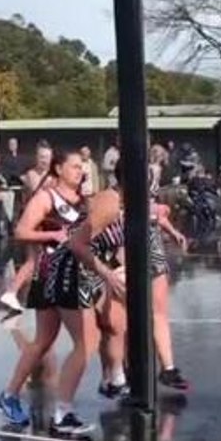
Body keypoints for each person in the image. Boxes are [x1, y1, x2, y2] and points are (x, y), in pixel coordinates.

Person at [67, 166, 191, 400]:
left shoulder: (133, 201)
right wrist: (109, 271)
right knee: (104, 329)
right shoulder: (110, 201)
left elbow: (150, 218)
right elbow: (81, 242)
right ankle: (104, 382)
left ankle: (122, 376)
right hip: (91, 263)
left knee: (118, 323)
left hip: (116, 256)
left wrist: (171, 231)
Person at [0, 149, 94, 436]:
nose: (79, 170)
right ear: (59, 169)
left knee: (43, 341)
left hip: (74, 273)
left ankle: (9, 395)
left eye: (81, 166)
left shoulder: (84, 200)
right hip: (54, 273)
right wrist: (51, 235)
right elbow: (21, 231)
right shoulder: (46, 198)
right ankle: (63, 412)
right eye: (74, 166)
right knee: (83, 344)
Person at [0, 143, 54, 312]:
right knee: (32, 261)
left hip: (45, 223)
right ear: (36, 158)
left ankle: (28, 293)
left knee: (39, 261)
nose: (44, 160)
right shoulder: (31, 175)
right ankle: (12, 292)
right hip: (34, 223)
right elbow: (41, 197)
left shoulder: (51, 176)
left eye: (47, 157)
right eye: (41, 157)